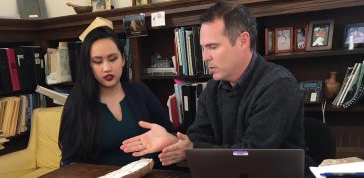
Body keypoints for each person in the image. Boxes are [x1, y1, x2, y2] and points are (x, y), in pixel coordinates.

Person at [121, 0, 308, 168]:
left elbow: (250, 154)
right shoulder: (213, 88)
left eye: (213, 47)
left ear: (243, 41)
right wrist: (175, 142)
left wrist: (192, 149)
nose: (204, 57)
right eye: (203, 48)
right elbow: (198, 138)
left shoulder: (278, 85)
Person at [59, 25, 174, 166]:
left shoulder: (140, 92)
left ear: (123, 60)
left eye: (113, 59)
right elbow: (70, 163)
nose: (106, 68)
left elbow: (170, 135)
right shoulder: (77, 103)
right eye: (97, 61)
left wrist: (169, 139)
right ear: (88, 66)